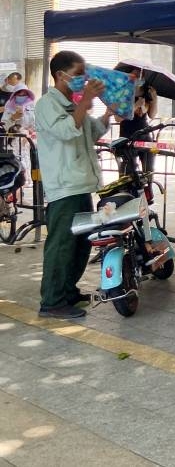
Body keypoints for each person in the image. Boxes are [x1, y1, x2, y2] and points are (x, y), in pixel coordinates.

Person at [35, 51, 113, 319]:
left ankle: (68, 291)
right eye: (78, 74)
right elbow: (67, 131)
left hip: (82, 185)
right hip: (64, 187)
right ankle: (52, 301)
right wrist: (86, 100)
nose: (83, 79)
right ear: (60, 75)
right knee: (62, 245)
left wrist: (110, 111)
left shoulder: (73, 103)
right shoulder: (47, 104)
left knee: (81, 244)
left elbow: (95, 132)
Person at [118, 83, 158, 173]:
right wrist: (136, 105)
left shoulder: (148, 92)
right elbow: (118, 118)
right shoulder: (123, 92)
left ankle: (148, 186)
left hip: (144, 136)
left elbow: (152, 115)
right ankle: (130, 185)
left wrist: (154, 98)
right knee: (129, 172)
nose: (138, 76)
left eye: (140, 73)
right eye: (134, 72)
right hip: (127, 136)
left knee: (149, 170)